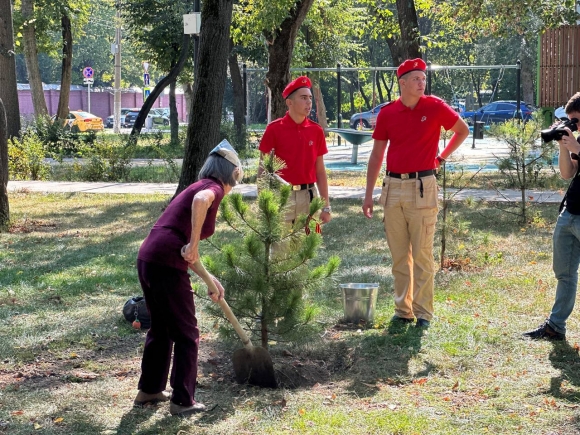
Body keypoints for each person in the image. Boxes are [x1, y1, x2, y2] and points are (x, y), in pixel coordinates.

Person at [133, 140, 243, 416]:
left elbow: (183, 250)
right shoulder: (212, 188)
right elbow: (195, 219)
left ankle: (150, 389)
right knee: (187, 333)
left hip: (149, 257)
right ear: (235, 174)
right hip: (165, 262)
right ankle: (183, 400)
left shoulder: (197, 185)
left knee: (160, 328)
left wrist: (209, 279)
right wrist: (194, 243)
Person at [362, 58, 469, 328]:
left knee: (422, 254)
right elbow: (376, 155)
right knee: (399, 255)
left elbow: (462, 130)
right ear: (403, 83)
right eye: (416, 79)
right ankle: (403, 310)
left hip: (423, 186)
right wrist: (367, 195)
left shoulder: (434, 106)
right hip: (393, 187)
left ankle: (423, 313)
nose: (422, 83)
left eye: (424, 78)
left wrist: (441, 157)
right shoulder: (388, 113)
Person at [523, 92, 580, 341]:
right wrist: (563, 146)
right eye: (570, 120)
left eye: (576, 120)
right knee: (564, 273)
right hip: (570, 213)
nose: (573, 125)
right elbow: (567, 174)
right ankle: (555, 327)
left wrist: (577, 146)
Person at [258, 76, 332, 225]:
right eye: (303, 98)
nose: (309, 102)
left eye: (310, 98)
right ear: (289, 102)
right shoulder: (274, 129)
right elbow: (263, 169)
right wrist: (263, 203)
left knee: (307, 245)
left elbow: (320, 171)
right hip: (281, 197)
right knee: (280, 247)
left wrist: (326, 206)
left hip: (309, 196)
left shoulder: (316, 131)